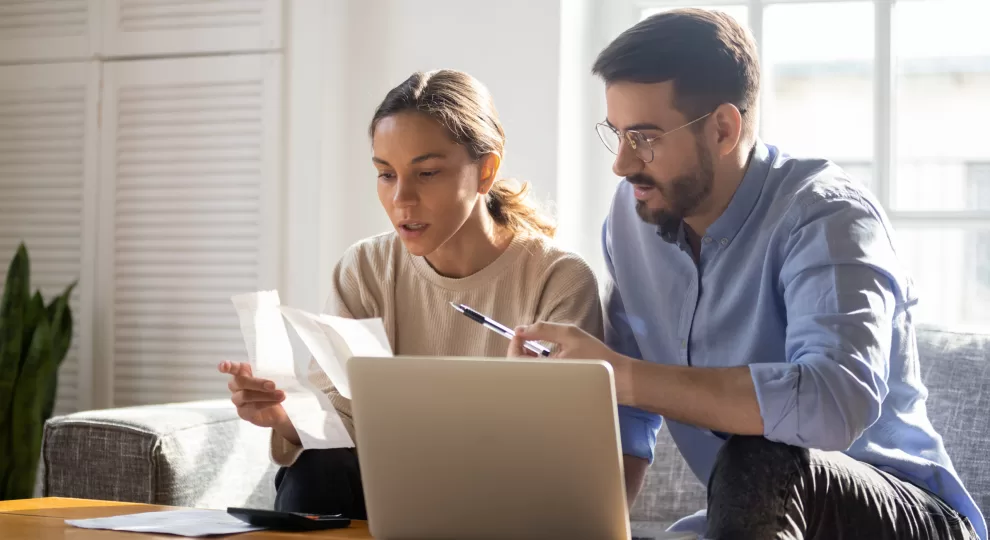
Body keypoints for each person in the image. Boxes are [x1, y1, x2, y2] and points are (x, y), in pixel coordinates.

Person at [509, 8, 985, 540]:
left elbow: (832, 401)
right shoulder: (632, 218)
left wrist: (624, 376)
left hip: (905, 514)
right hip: (753, 515)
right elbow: (628, 416)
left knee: (762, 450)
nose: (622, 163)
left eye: (644, 137)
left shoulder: (827, 216)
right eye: (615, 133)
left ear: (723, 128)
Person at [218, 69, 603, 519]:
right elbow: (342, 423)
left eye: (428, 173)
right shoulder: (365, 268)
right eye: (386, 174)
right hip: (390, 498)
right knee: (317, 468)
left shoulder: (558, 279)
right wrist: (282, 417)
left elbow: (565, 456)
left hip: (504, 500)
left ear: (486, 170)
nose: (403, 198)